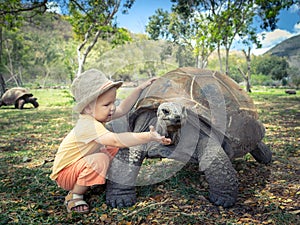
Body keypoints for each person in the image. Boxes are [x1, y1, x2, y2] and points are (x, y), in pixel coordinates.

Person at [50, 69, 171, 214]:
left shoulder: (97, 116)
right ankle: (75, 195)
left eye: (113, 102)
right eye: (107, 104)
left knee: (110, 149)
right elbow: (116, 140)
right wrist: (148, 136)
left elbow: (123, 109)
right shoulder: (88, 125)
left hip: (77, 165)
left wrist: (139, 89)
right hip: (65, 174)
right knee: (102, 156)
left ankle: (91, 179)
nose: (113, 107)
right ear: (88, 108)